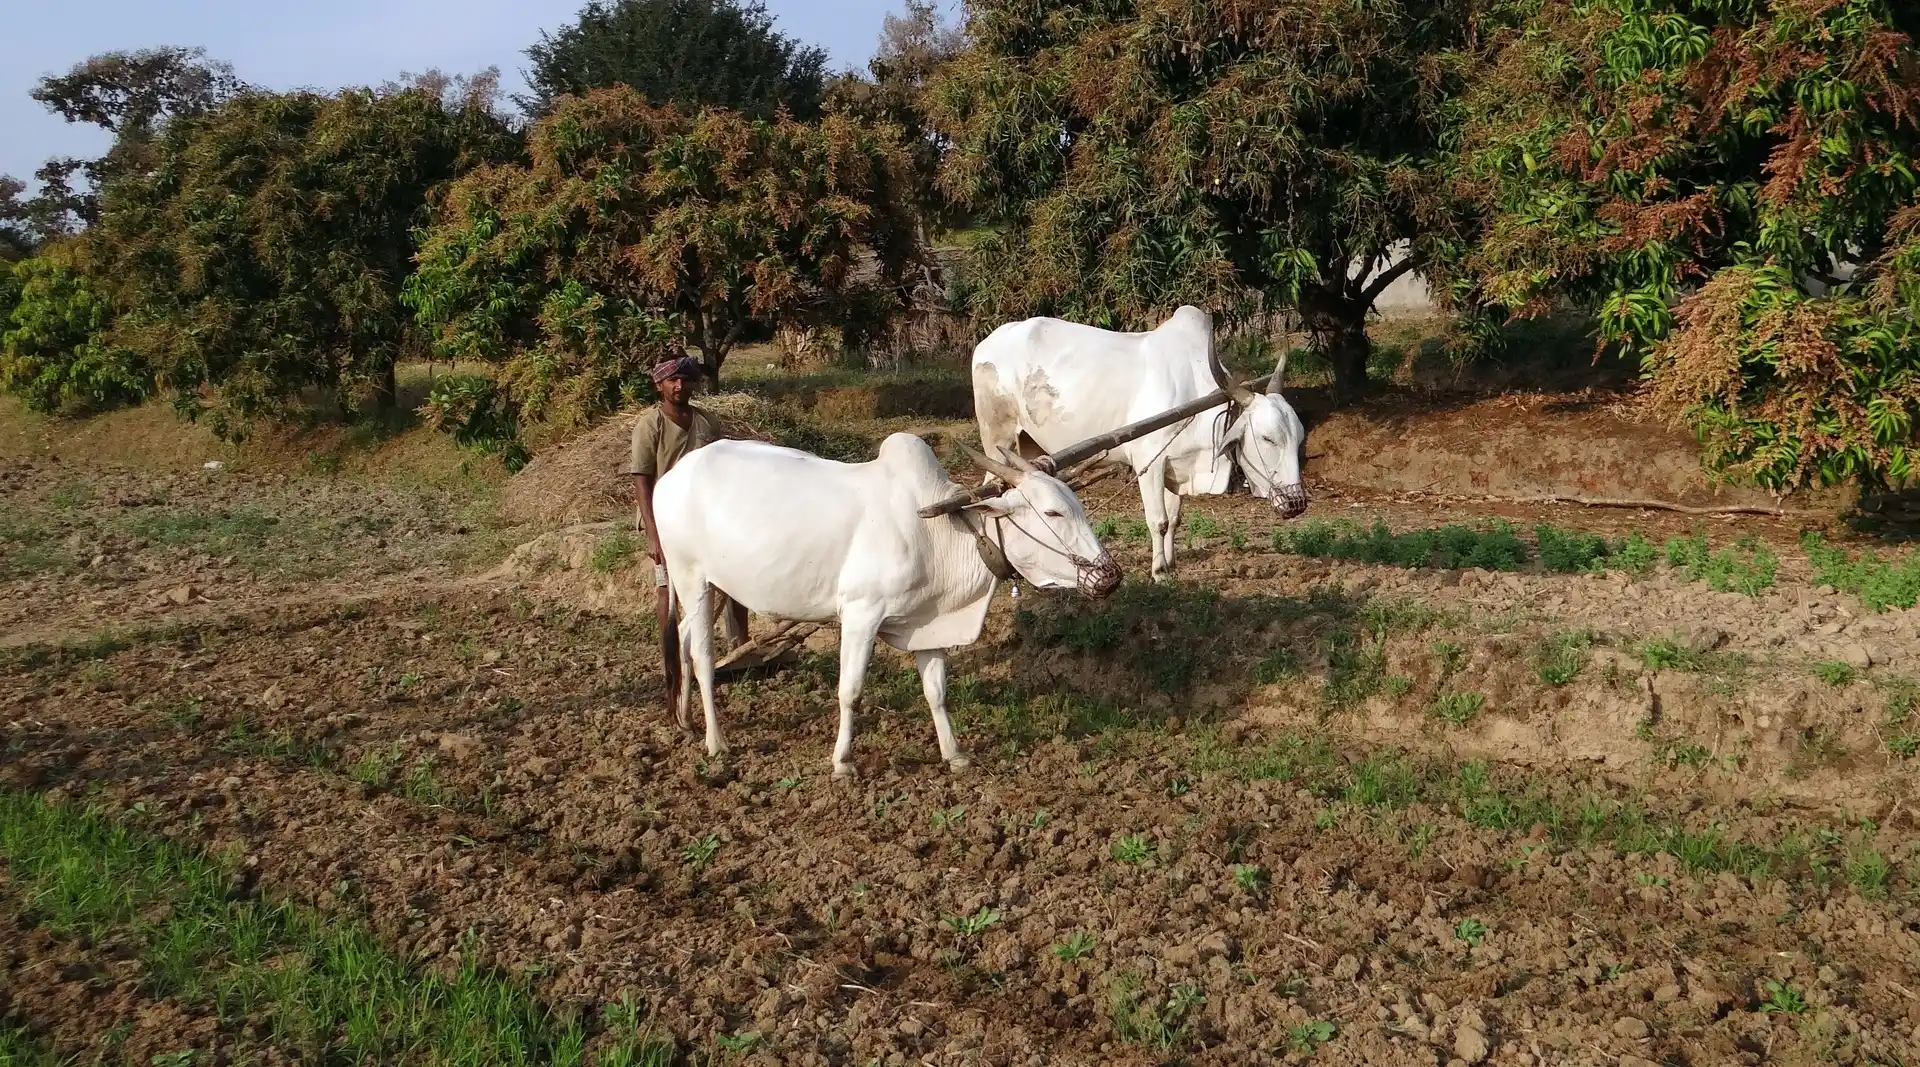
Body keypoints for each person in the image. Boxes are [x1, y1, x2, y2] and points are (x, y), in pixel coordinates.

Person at [628, 352, 749, 716]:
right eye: (673, 381)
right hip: (669, 520)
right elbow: (642, 479)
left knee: (736, 578)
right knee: (669, 588)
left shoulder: (706, 421)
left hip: (706, 517)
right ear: (659, 385)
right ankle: (672, 661)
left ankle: (740, 646)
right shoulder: (650, 425)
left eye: (687, 380)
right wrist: (653, 533)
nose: (681, 386)